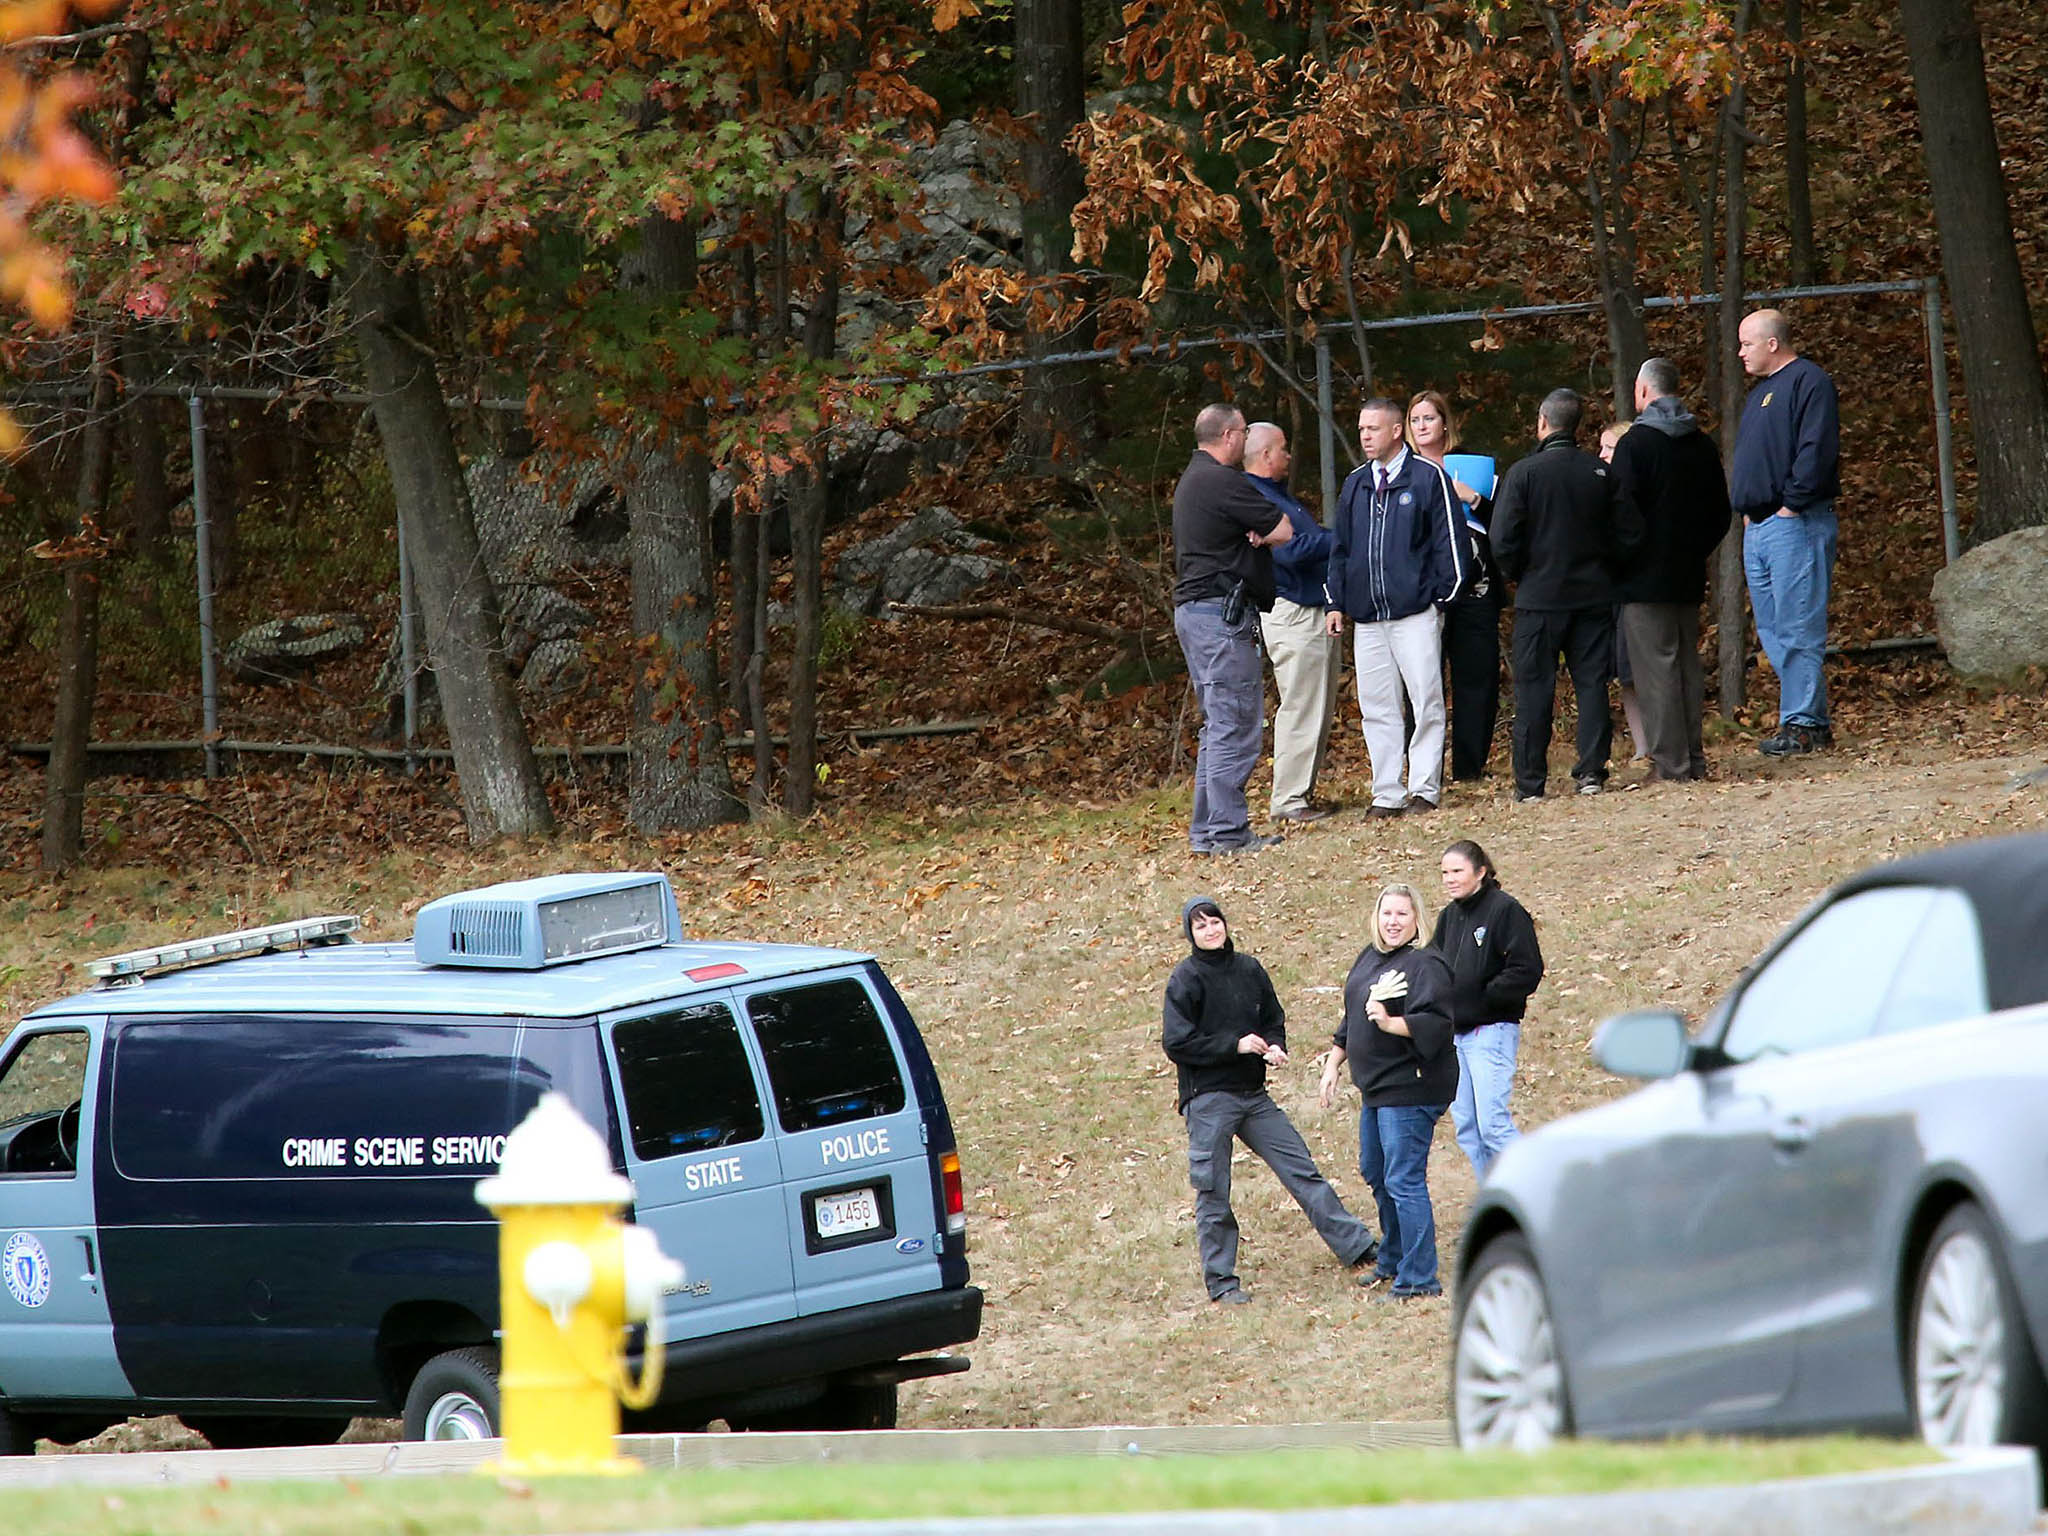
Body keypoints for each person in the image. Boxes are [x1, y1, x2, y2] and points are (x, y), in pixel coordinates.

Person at [1164, 897, 1379, 1304]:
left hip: (1254, 1096)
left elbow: (1272, 1019)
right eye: (1201, 926)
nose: (1211, 930)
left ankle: (1357, 1246)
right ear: (1190, 935)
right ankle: (1222, 1281)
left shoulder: (1249, 969)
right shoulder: (1185, 979)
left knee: (1300, 1168)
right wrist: (1235, 1045)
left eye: (1215, 922)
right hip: (1208, 1099)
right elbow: (1177, 1043)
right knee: (1213, 1191)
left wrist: (1274, 1046)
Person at [1324, 398, 1465, 817]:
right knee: (1378, 707)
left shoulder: (1428, 477)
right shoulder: (1355, 483)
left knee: (1425, 701)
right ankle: (1386, 793)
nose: (1365, 436)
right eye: (1362, 428)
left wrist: (1441, 597)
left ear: (1395, 431)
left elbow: (1450, 543)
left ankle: (1424, 789)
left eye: (1373, 428)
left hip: (1415, 613)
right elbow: (1340, 548)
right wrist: (1336, 601)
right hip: (1367, 617)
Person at [1318, 883, 1457, 1299]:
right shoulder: (1370, 957)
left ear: (1417, 919)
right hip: (1377, 1088)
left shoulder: (1425, 964)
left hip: (1411, 1086)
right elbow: (1351, 1017)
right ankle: (1394, 1258)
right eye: (1387, 914)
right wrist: (1333, 1063)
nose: (1393, 922)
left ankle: (1419, 1278)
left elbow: (1437, 1023)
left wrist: (1390, 1022)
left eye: (1402, 914)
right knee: (1376, 1171)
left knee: (1403, 1178)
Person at [1490, 388, 1629, 801]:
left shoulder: (1525, 473)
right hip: (1592, 595)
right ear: (1577, 425)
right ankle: (1590, 772)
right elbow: (1623, 532)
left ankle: (1530, 782)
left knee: (1534, 689)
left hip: (1540, 596)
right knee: (1591, 685)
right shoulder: (1599, 473)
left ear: (1542, 422)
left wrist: (1522, 574)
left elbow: (1502, 539)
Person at [1172, 404, 1296, 853]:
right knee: (1235, 723)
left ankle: (1208, 832)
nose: (1246, 440)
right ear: (1228, 436)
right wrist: (1262, 533)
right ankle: (1226, 833)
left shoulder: (1193, 479)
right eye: (1243, 432)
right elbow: (1283, 528)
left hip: (1198, 615)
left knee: (1218, 724)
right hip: (1219, 617)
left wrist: (1256, 532)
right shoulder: (1221, 481)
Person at [1612, 358, 1733, 783]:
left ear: (1644, 392)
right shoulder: (1701, 443)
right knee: (1685, 667)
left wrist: (1627, 560)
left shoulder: (1636, 445)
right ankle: (1692, 758)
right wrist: (1694, 550)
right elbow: (1720, 511)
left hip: (1645, 579)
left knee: (1656, 671)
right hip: (1687, 573)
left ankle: (1671, 765)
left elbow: (1621, 511)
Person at [1730, 309, 1840, 758]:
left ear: (1772, 343)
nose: (1740, 352)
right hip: (1758, 527)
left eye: (1746, 344)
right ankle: (1810, 719)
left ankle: (1801, 724)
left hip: (1795, 523)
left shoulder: (1809, 382)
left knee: (1798, 627)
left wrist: (1791, 504)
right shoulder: (1761, 395)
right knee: (1774, 630)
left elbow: (1815, 449)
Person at [1428, 839, 1544, 1179]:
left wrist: (1483, 998)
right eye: (1444, 872)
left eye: (1457, 871)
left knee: (1492, 1124)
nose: (1449, 879)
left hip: (1490, 1032)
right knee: (1467, 1126)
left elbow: (1526, 969)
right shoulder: (1449, 916)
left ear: (1480, 872)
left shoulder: (1505, 910)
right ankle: (1496, 1200)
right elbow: (1434, 965)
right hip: (1455, 1037)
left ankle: (1539, 1188)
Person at [1245, 423, 1341, 823]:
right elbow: (1288, 553)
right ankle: (1288, 800)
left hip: (1310, 607)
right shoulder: (1255, 497)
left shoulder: (1279, 497)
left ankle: (1301, 792)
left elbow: (1299, 543)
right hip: (1291, 609)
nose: (1288, 456)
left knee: (1317, 703)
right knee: (1301, 703)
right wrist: (1341, 537)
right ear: (1266, 455)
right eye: (1283, 449)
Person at [1408, 390, 1505, 783]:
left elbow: (1506, 523)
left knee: (1476, 679)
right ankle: (1420, 772)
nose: (1422, 426)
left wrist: (1474, 498)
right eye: (1415, 420)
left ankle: (1469, 768)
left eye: (1428, 418)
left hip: (1476, 590)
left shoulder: (1472, 466)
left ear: (1445, 423)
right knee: (1420, 684)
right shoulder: (1402, 471)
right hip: (1423, 592)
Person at [1598, 420, 1648, 765]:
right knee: (1625, 675)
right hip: (1608, 593)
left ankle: (1659, 743)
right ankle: (1642, 747)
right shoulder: (1597, 488)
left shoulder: (1638, 491)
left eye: (1609, 448)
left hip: (1638, 590)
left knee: (1643, 671)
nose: (1601, 455)